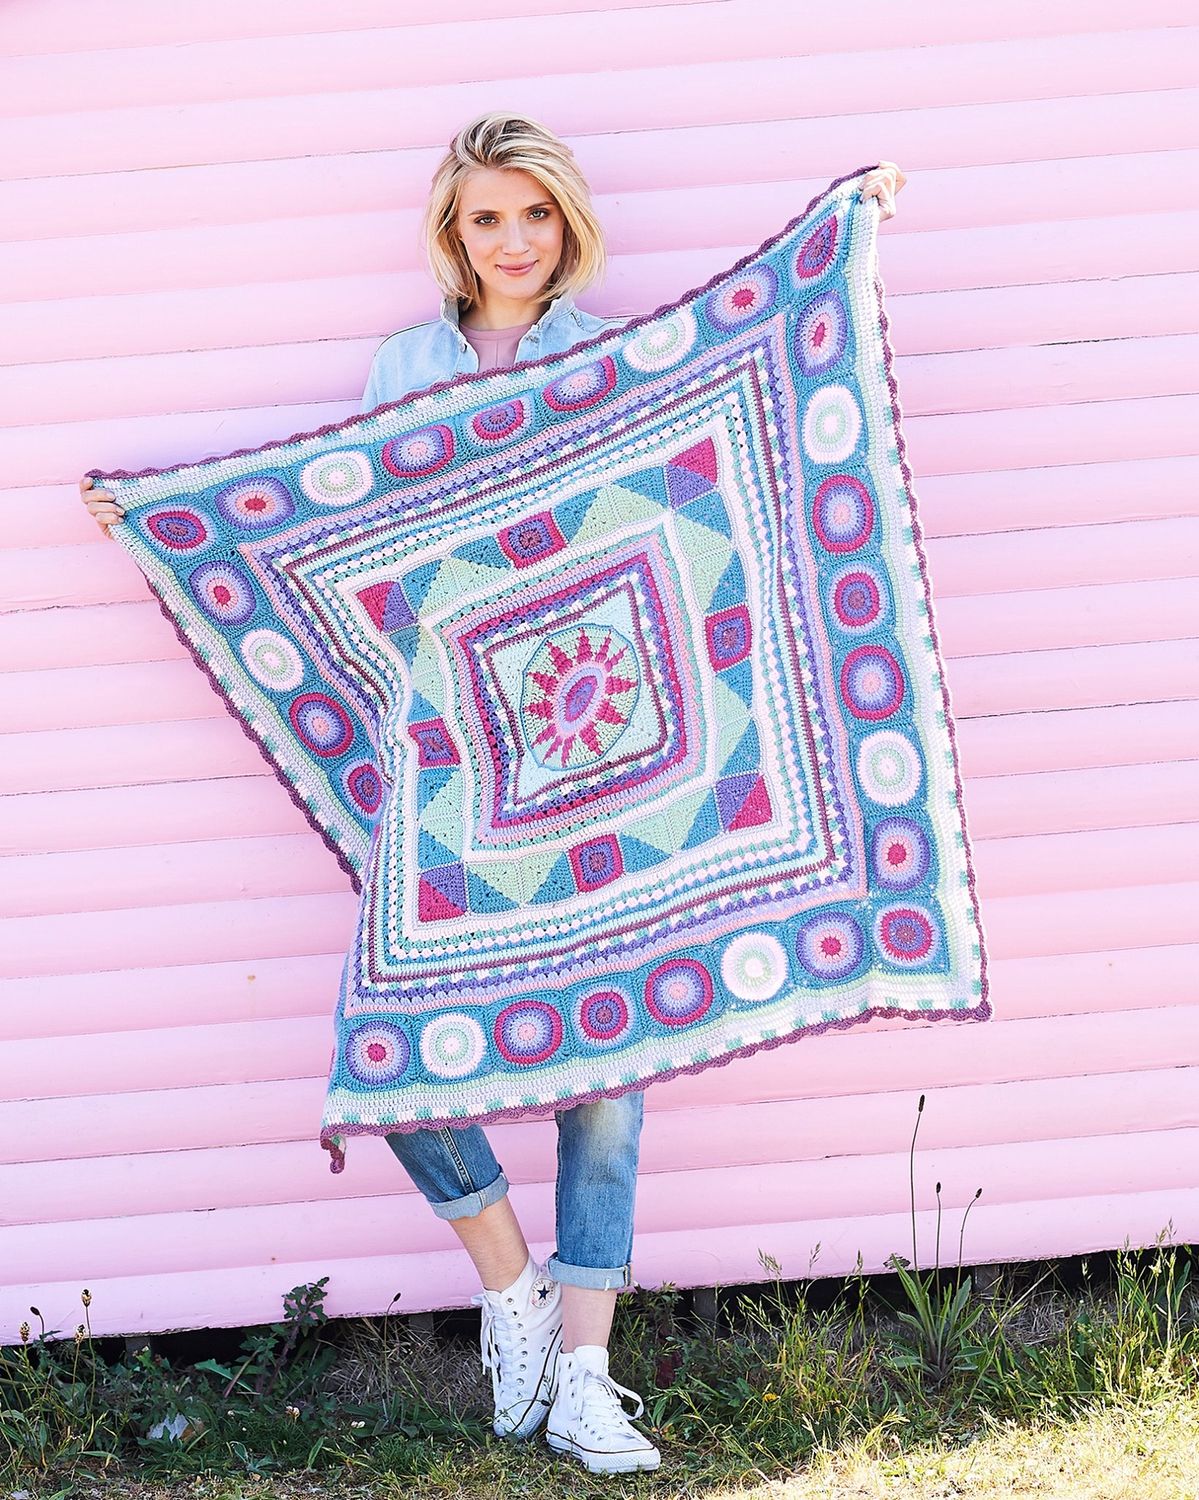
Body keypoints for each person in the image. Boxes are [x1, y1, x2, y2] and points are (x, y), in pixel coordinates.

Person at [79, 113, 905, 1475]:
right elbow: (352, 543)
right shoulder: (406, 370)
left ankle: (585, 1376)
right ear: (452, 236)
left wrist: (844, 230)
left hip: (620, 765)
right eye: (486, 219)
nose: (513, 241)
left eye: (534, 213)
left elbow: (702, 498)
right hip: (467, 772)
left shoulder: (616, 356)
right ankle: (511, 1287)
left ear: (564, 222)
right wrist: (181, 523)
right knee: (399, 1060)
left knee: (609, 1083)